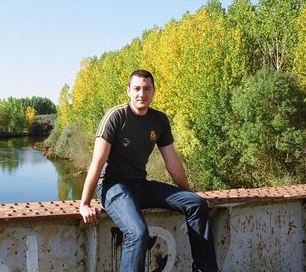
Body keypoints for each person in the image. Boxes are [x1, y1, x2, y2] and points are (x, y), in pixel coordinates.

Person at [79, 69, 218, 272]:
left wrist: (188, 193)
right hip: (113, 187)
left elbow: (172, 162)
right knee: (138, 232)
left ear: (153, 92)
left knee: (196, 204)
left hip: (140, 185)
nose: (141, 94)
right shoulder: (115, 116)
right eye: (136, 88)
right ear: (128, 91)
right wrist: (84, 203)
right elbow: (97, 162)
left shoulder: (159, 120)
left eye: (146, 89)